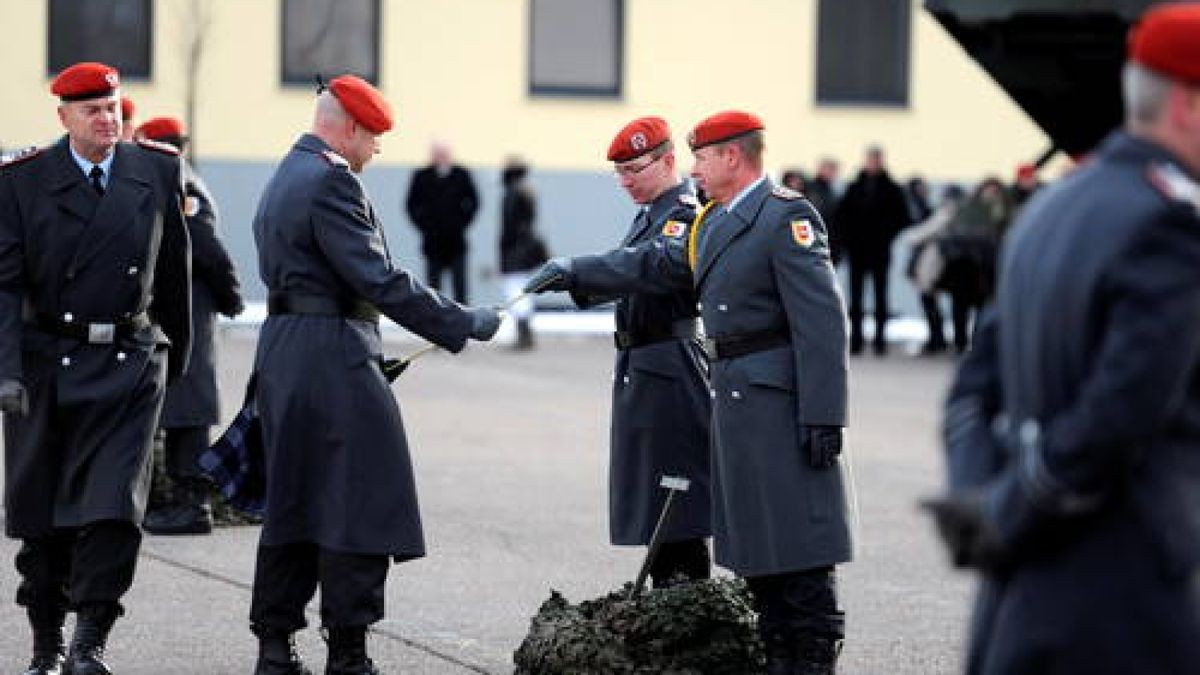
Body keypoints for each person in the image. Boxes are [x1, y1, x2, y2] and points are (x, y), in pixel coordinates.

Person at [525, 111, 853, 674]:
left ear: (732, 156)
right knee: (759, 550)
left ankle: (812, 660)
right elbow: (662, 262)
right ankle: (779, 655)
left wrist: (825, 413)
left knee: (800, 550)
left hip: (777, 400)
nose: (693, 169)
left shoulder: (786, 217)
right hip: (735, 398)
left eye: (700, 158)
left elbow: (822, 323)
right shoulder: (718, 222)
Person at [925, 4, 1200, 672]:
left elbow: (971, 389)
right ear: (1188, 105)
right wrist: (1020, 503)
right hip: (1121, 597)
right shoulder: (1169, 225)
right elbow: (1123, 409)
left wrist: (983, 501)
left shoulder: (1051, 207)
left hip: (1018, 595)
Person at [248, 75, 501, 675]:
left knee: (294, 499)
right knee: (356, 498)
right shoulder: (333, 180)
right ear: (352, 127)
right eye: (377, 136)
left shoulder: (286, 172)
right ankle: (348, 653)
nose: (379, 149)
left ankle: (274, 647)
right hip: (331, 354)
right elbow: (378, 278)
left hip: (289, 351)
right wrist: (461, 321)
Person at [0, 62, 192, 675]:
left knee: (113, 510)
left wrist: (176, 361)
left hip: (129, 365)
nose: (108, 119)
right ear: (64, 118)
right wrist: (5, 371)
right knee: (45, 516)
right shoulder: (22, 181)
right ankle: (46, 644)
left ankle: (90, 641)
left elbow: (174, 276)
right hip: (45, 365)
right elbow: (3, 288)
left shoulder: (156, 170)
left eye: (113, 107)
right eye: (93, 111)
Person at [531, 117, 714, 585]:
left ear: (668, 161)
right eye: (619, 173)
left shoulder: (684, 212)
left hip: (670, 368)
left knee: (678, 508)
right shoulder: (652, 212)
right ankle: (670, 604)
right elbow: (630, 270)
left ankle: (685, 609)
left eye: (633, 169)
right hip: (647, 366)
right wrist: (576, 282)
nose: (625, 181)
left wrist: (577, 270)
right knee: (659, 507)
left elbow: (655, 265)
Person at [134, 116, 245, 536]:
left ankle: (193, 504)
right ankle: (183, 500)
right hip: (181, 306)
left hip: (192, 307)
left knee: (189, 406)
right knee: (180, 402)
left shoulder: (182, 182)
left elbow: (206, 248)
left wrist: (232, 296)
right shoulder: (180, 176)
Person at [835, 145, 911, 355]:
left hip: (879, 251)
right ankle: (856, 341)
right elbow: (842, 217)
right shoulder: (854, 187)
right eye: (870, 160)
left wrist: (886, 234)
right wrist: (848, 240)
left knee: (880, 297)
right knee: (855, 298)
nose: (873, 164)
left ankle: (879, 342)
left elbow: (903, 218)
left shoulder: (892, 188)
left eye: (876, 160)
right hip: (857, 251)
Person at [404, 141, 479, 303]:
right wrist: (424, 225)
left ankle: (463, 322)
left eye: (444, 153)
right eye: (438, 154)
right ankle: (435, 323)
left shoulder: (462, 174)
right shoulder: (421, 175)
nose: (441, 157)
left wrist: (462, 223)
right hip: (433, 241)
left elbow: (474, 202)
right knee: (433, 288)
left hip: (456, 241)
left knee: (460, 286)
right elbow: (411, 205)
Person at [903, 184, 966, 355]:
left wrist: (911, 236)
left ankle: (938, 340)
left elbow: (918, 236)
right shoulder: (963, 215)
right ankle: (950, 341)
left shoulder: (946, 213)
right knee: (954, 306)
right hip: (947, 267)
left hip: (936, 266)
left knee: (930, 300)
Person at [498, 157, 547, 350]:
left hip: (514, 252)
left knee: (516, 291)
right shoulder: (527, 191)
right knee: (523, 291)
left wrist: (505, 252)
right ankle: (524, 334)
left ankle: (523, 334)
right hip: (524, 250)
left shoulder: (512, 193)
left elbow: (509, 228)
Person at [807, 157, 842, 264]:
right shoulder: (813, 189)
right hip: (817, 244)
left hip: (829, 243)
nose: (834, 173)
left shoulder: (830, 190)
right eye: (830, 169)